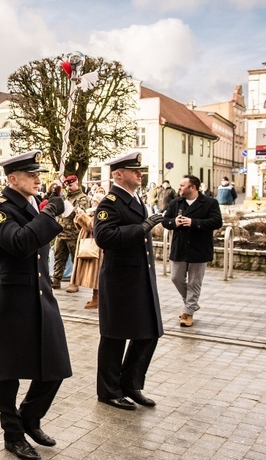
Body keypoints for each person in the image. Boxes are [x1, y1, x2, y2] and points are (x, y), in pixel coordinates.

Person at [0, 150, 71, 460]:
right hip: (12, 298)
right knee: (8, 372)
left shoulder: (35, 203)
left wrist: (56, 206)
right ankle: (12, 433)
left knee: (56, 363)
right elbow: (20, 242)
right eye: (31, 174)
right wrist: (49, 215)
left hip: (41, 294)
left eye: (39, 173)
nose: (38, 178)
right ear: (12, 179)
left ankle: (29, 418)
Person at [94, 151, 164, 411]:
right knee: (115, 337)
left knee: (148, 332)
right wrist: (141, 228)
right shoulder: (110, 202)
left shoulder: (135, 199)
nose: (140, 174)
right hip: (120, 280)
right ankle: (109, 391)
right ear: (118, 174)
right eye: (134, 170)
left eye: (140, 171)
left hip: (139, 277)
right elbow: (104, 236)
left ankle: (131, 383)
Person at [162, 175, 222, 327]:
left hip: (199, 248)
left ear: (193, 188)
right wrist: (174, 222)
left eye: (183, 185)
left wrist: (194, 223)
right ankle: (191, 304)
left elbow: (217, 221)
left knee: (195, 282)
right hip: (180, 247)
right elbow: (165, 220)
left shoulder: (209, 202)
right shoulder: (176, 202)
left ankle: (188, 313)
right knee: (175, 278)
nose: (179, 188)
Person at [51, 175, 89, 293]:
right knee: (59, 257)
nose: (69, 188)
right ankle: (56, 280)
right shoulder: (64, 197)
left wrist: (73, 207)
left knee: (75, 259)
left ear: (77, 184)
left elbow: (79, 212)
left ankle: (75, 282)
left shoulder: (82, 197)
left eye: (71, 185)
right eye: (67, 186)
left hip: (73, 233)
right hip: (61, 231)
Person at [72, 193, 104, 309]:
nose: (93, 202)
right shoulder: (91, 211)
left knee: (95, 273)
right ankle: (95, 297)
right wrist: (78, 218)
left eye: (95, 201)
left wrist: (82, 216)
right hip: (89, 244)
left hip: (95, 247)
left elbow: (92, 226)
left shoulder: (101, 213)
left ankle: (97, 298)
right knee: (92, 273)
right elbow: (82, 227)